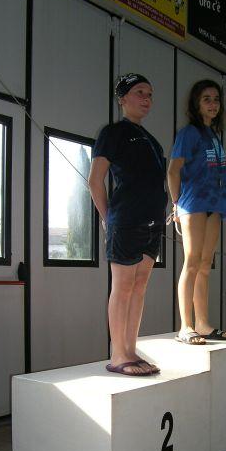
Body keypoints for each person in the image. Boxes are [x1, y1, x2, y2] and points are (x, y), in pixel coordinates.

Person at [88, 73, 167, 375]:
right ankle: (118, 355)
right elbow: (95, 181)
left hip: (153, 222)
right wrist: (108, 218)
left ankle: (131, 350)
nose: (146, 99)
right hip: (126, 220)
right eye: (139, 92)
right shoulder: (113, 132)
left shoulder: (152, 140)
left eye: (149, 94)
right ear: (122, 99)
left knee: (140, 287)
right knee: (122, 287)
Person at [168, 80, 226, 345]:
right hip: (193, 203)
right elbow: (173, 171)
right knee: (192, 262)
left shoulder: (214, 136)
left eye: (216, 99)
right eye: (207, 99)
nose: (213, 104)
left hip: (214, 205)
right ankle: (186, 326)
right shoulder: (189, 133)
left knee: (205, 265)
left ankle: (203, 324)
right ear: (196, 103)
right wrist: (176, 205)